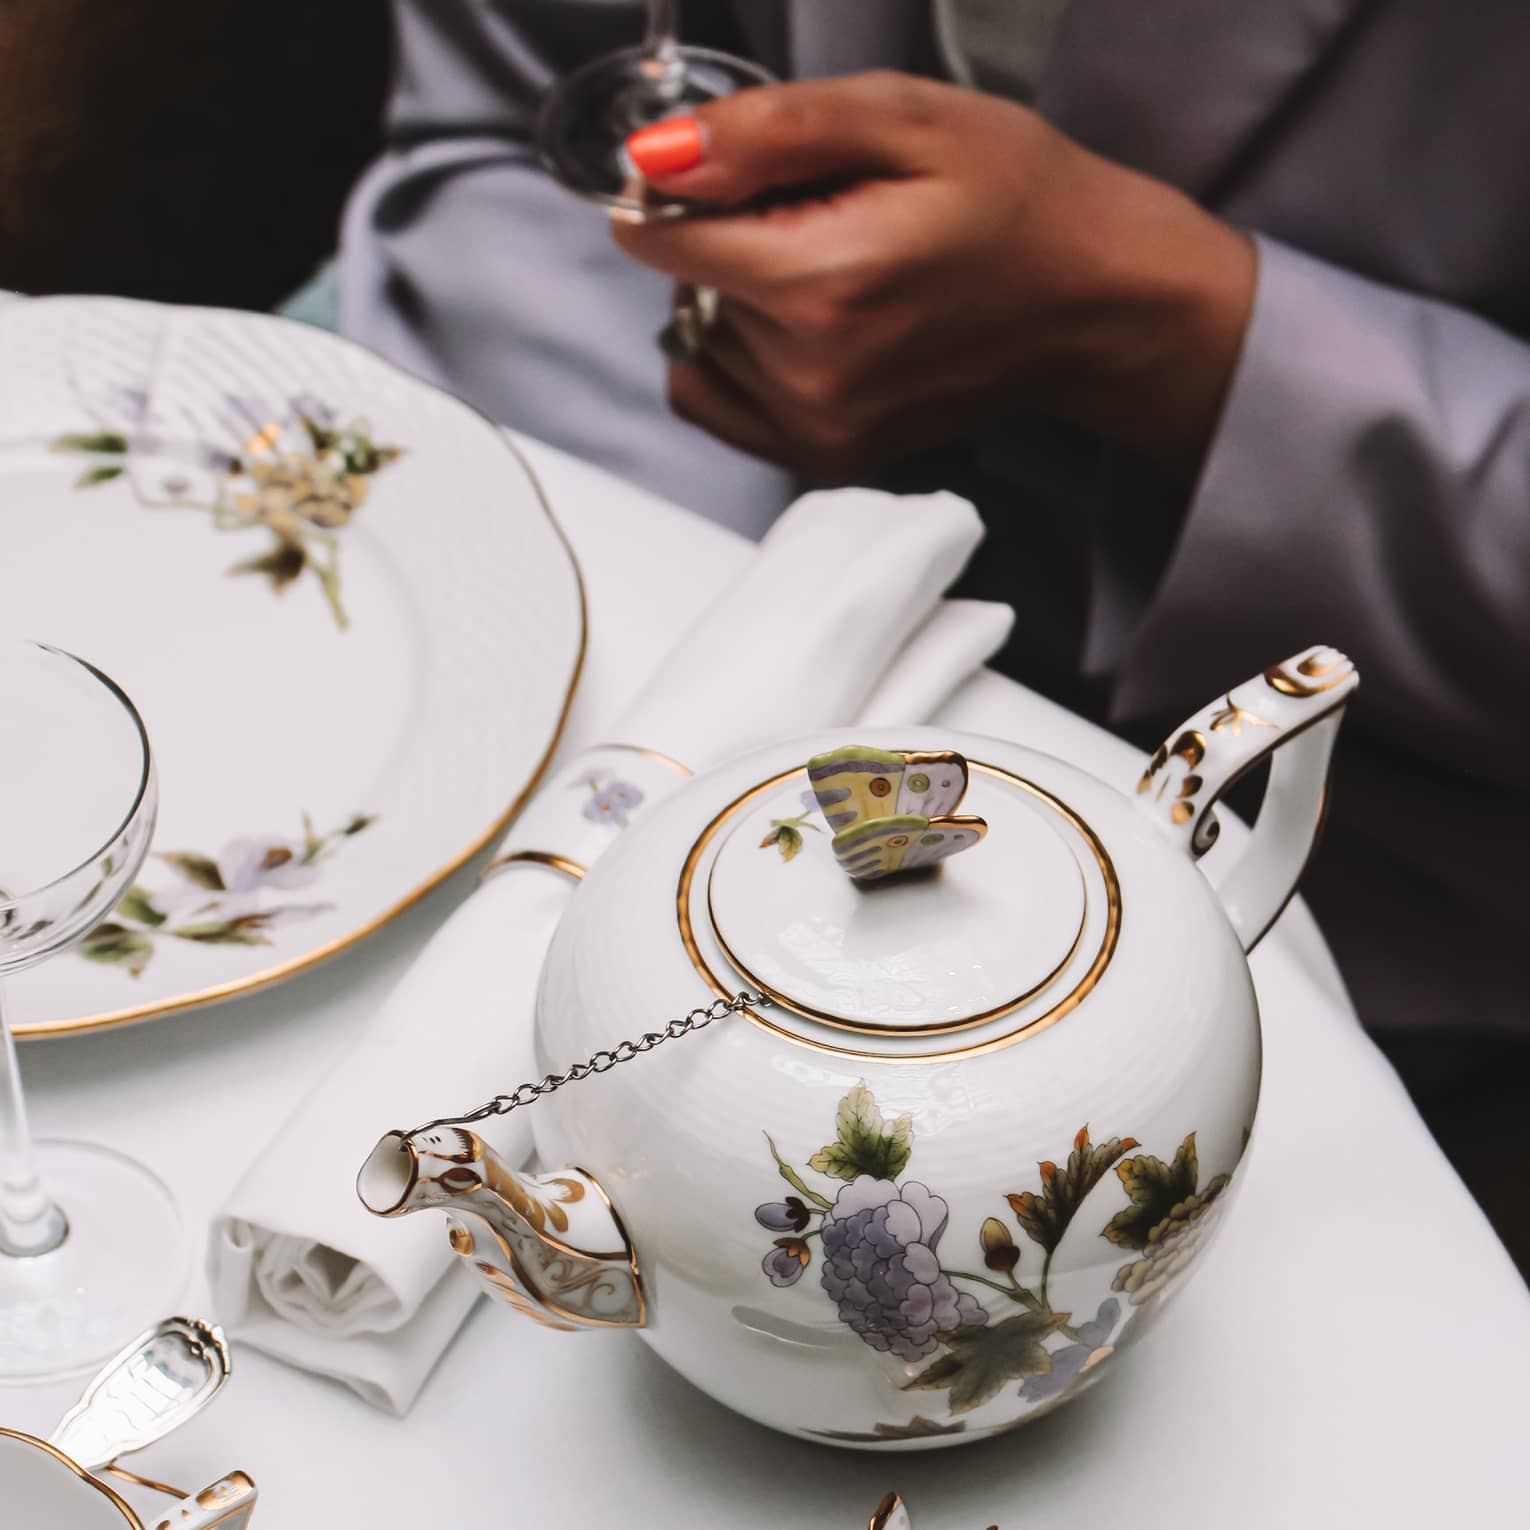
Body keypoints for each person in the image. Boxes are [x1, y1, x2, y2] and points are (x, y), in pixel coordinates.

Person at [342, 2, 1530, 1264]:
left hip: (1403, 842)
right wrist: (759, 621)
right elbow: (529, 129)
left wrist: (1170, 328)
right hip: (656, 602)